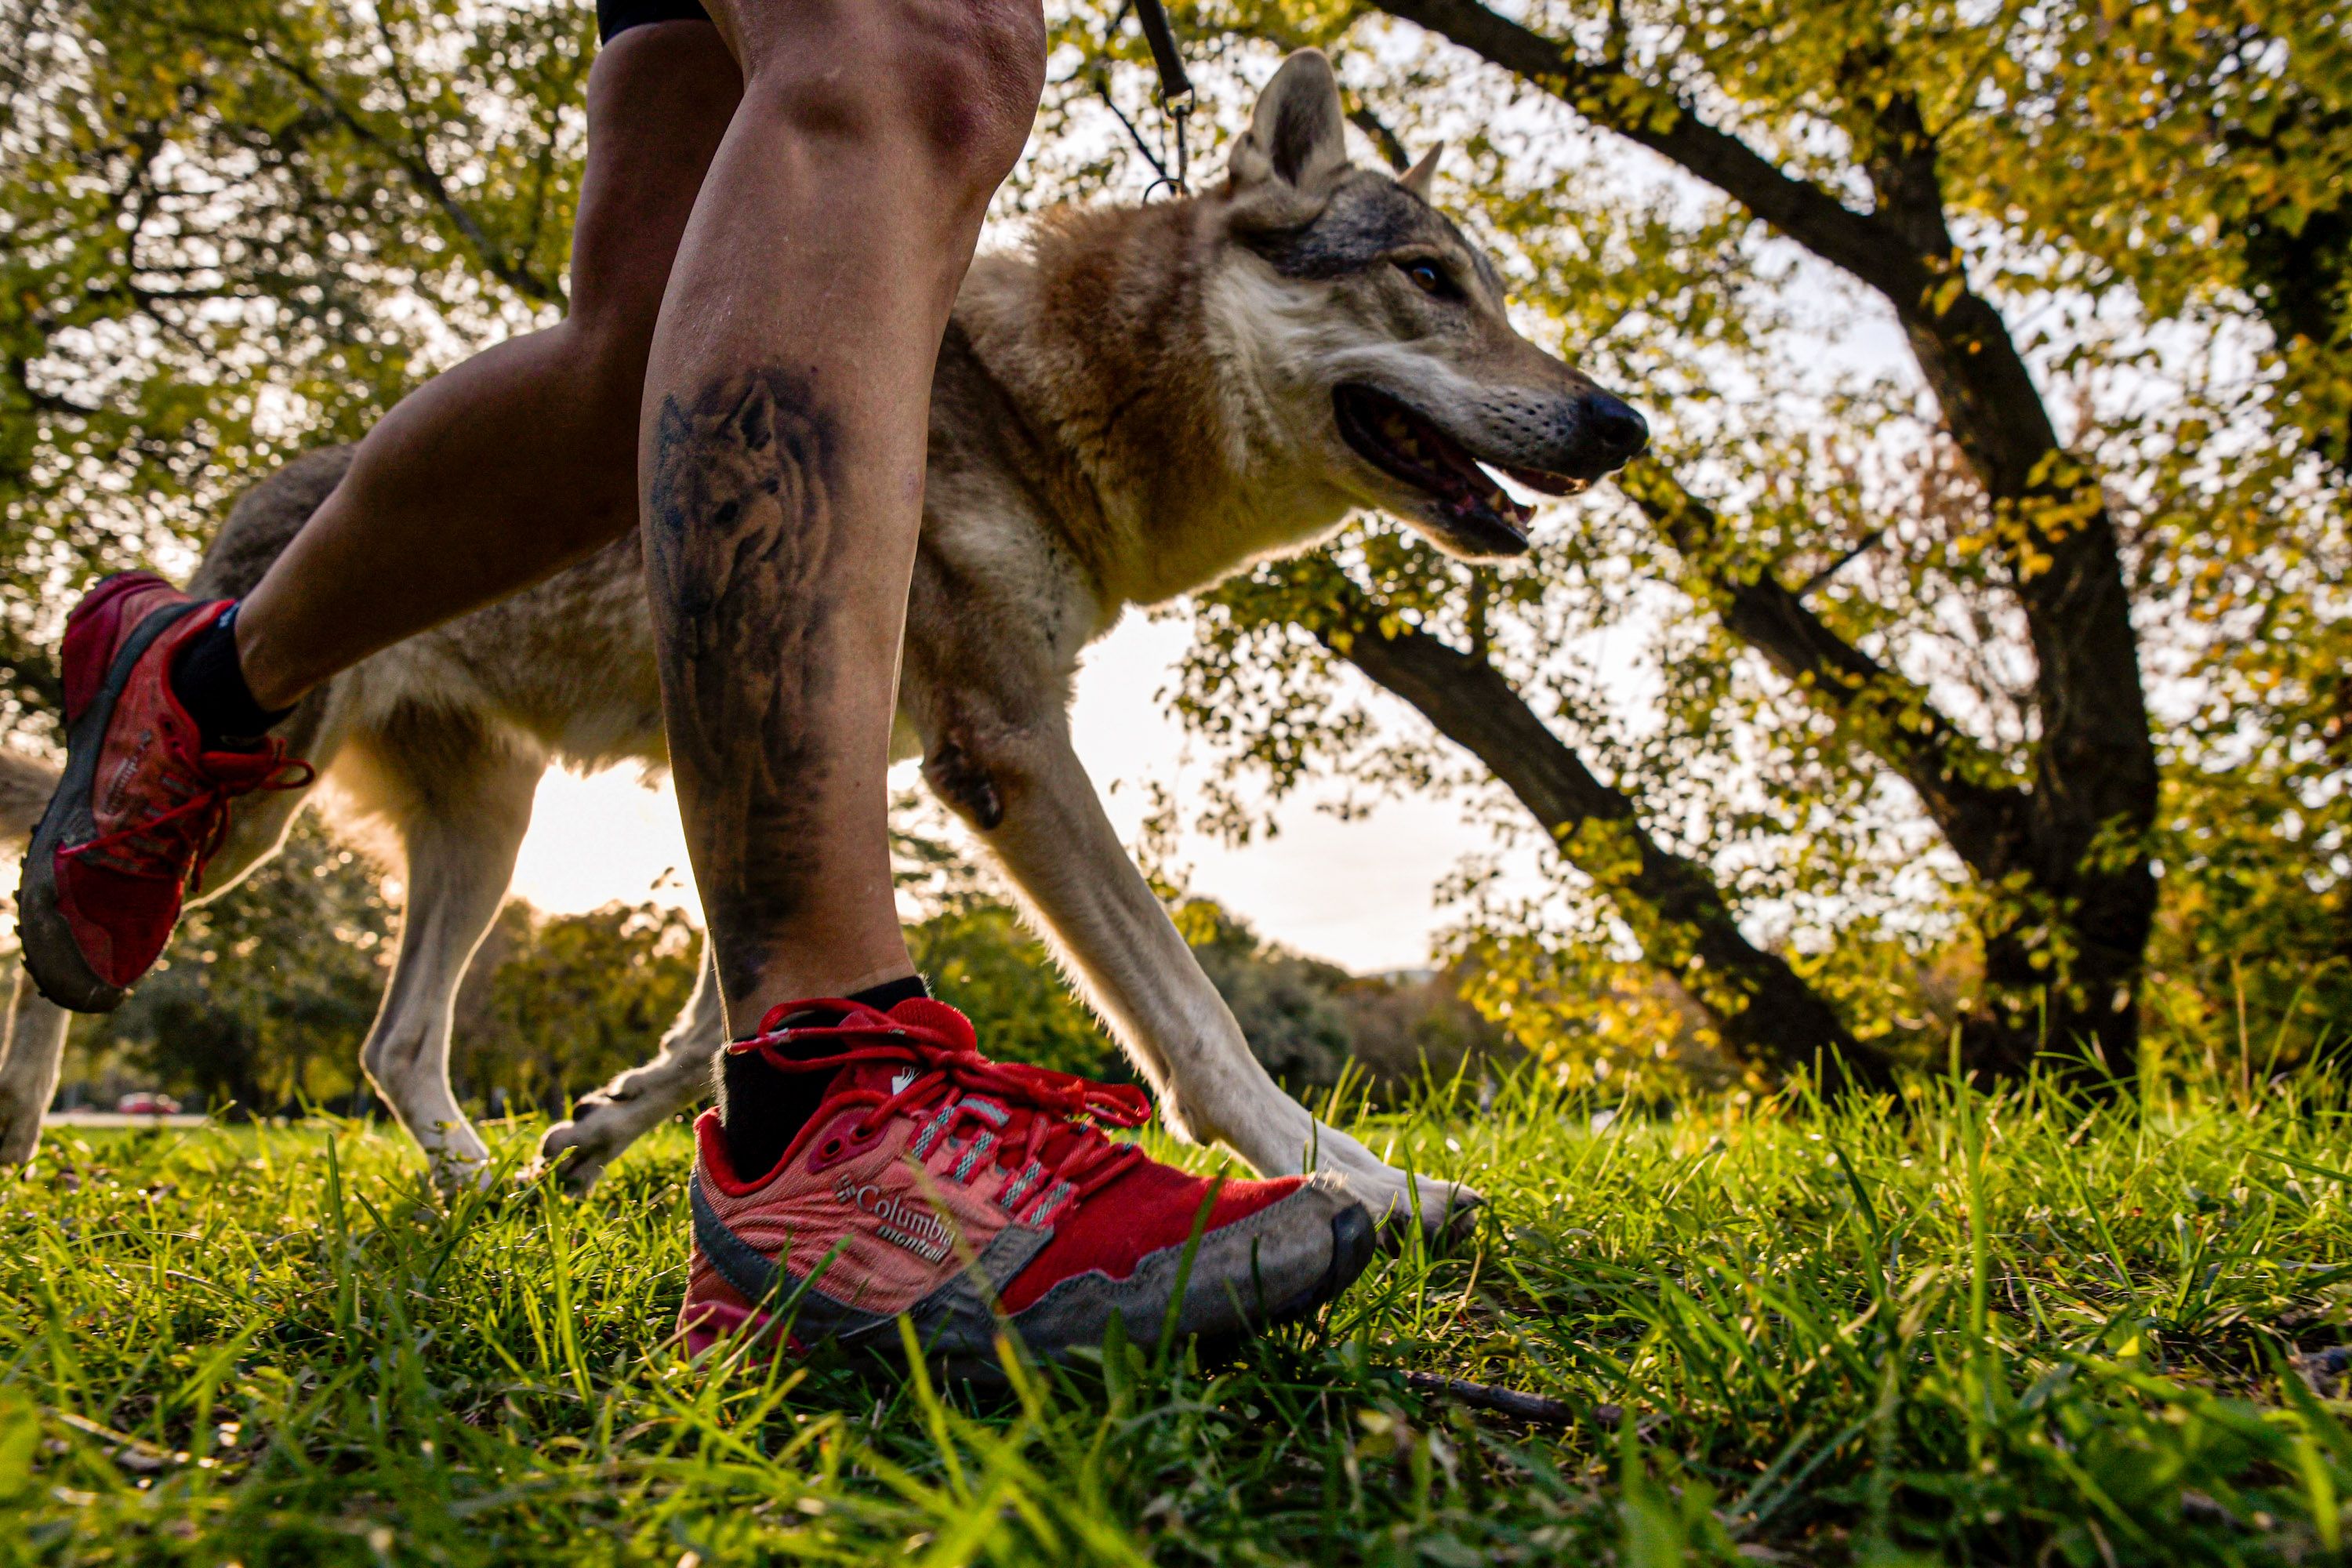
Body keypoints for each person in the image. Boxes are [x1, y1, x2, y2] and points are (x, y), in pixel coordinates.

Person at [18, 0, 1373, 1368]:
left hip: (511, 659)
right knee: (928, 53)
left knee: (637, 366)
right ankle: (826, 1102)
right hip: (467, 633)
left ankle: (200, 678)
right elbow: (996, 749)